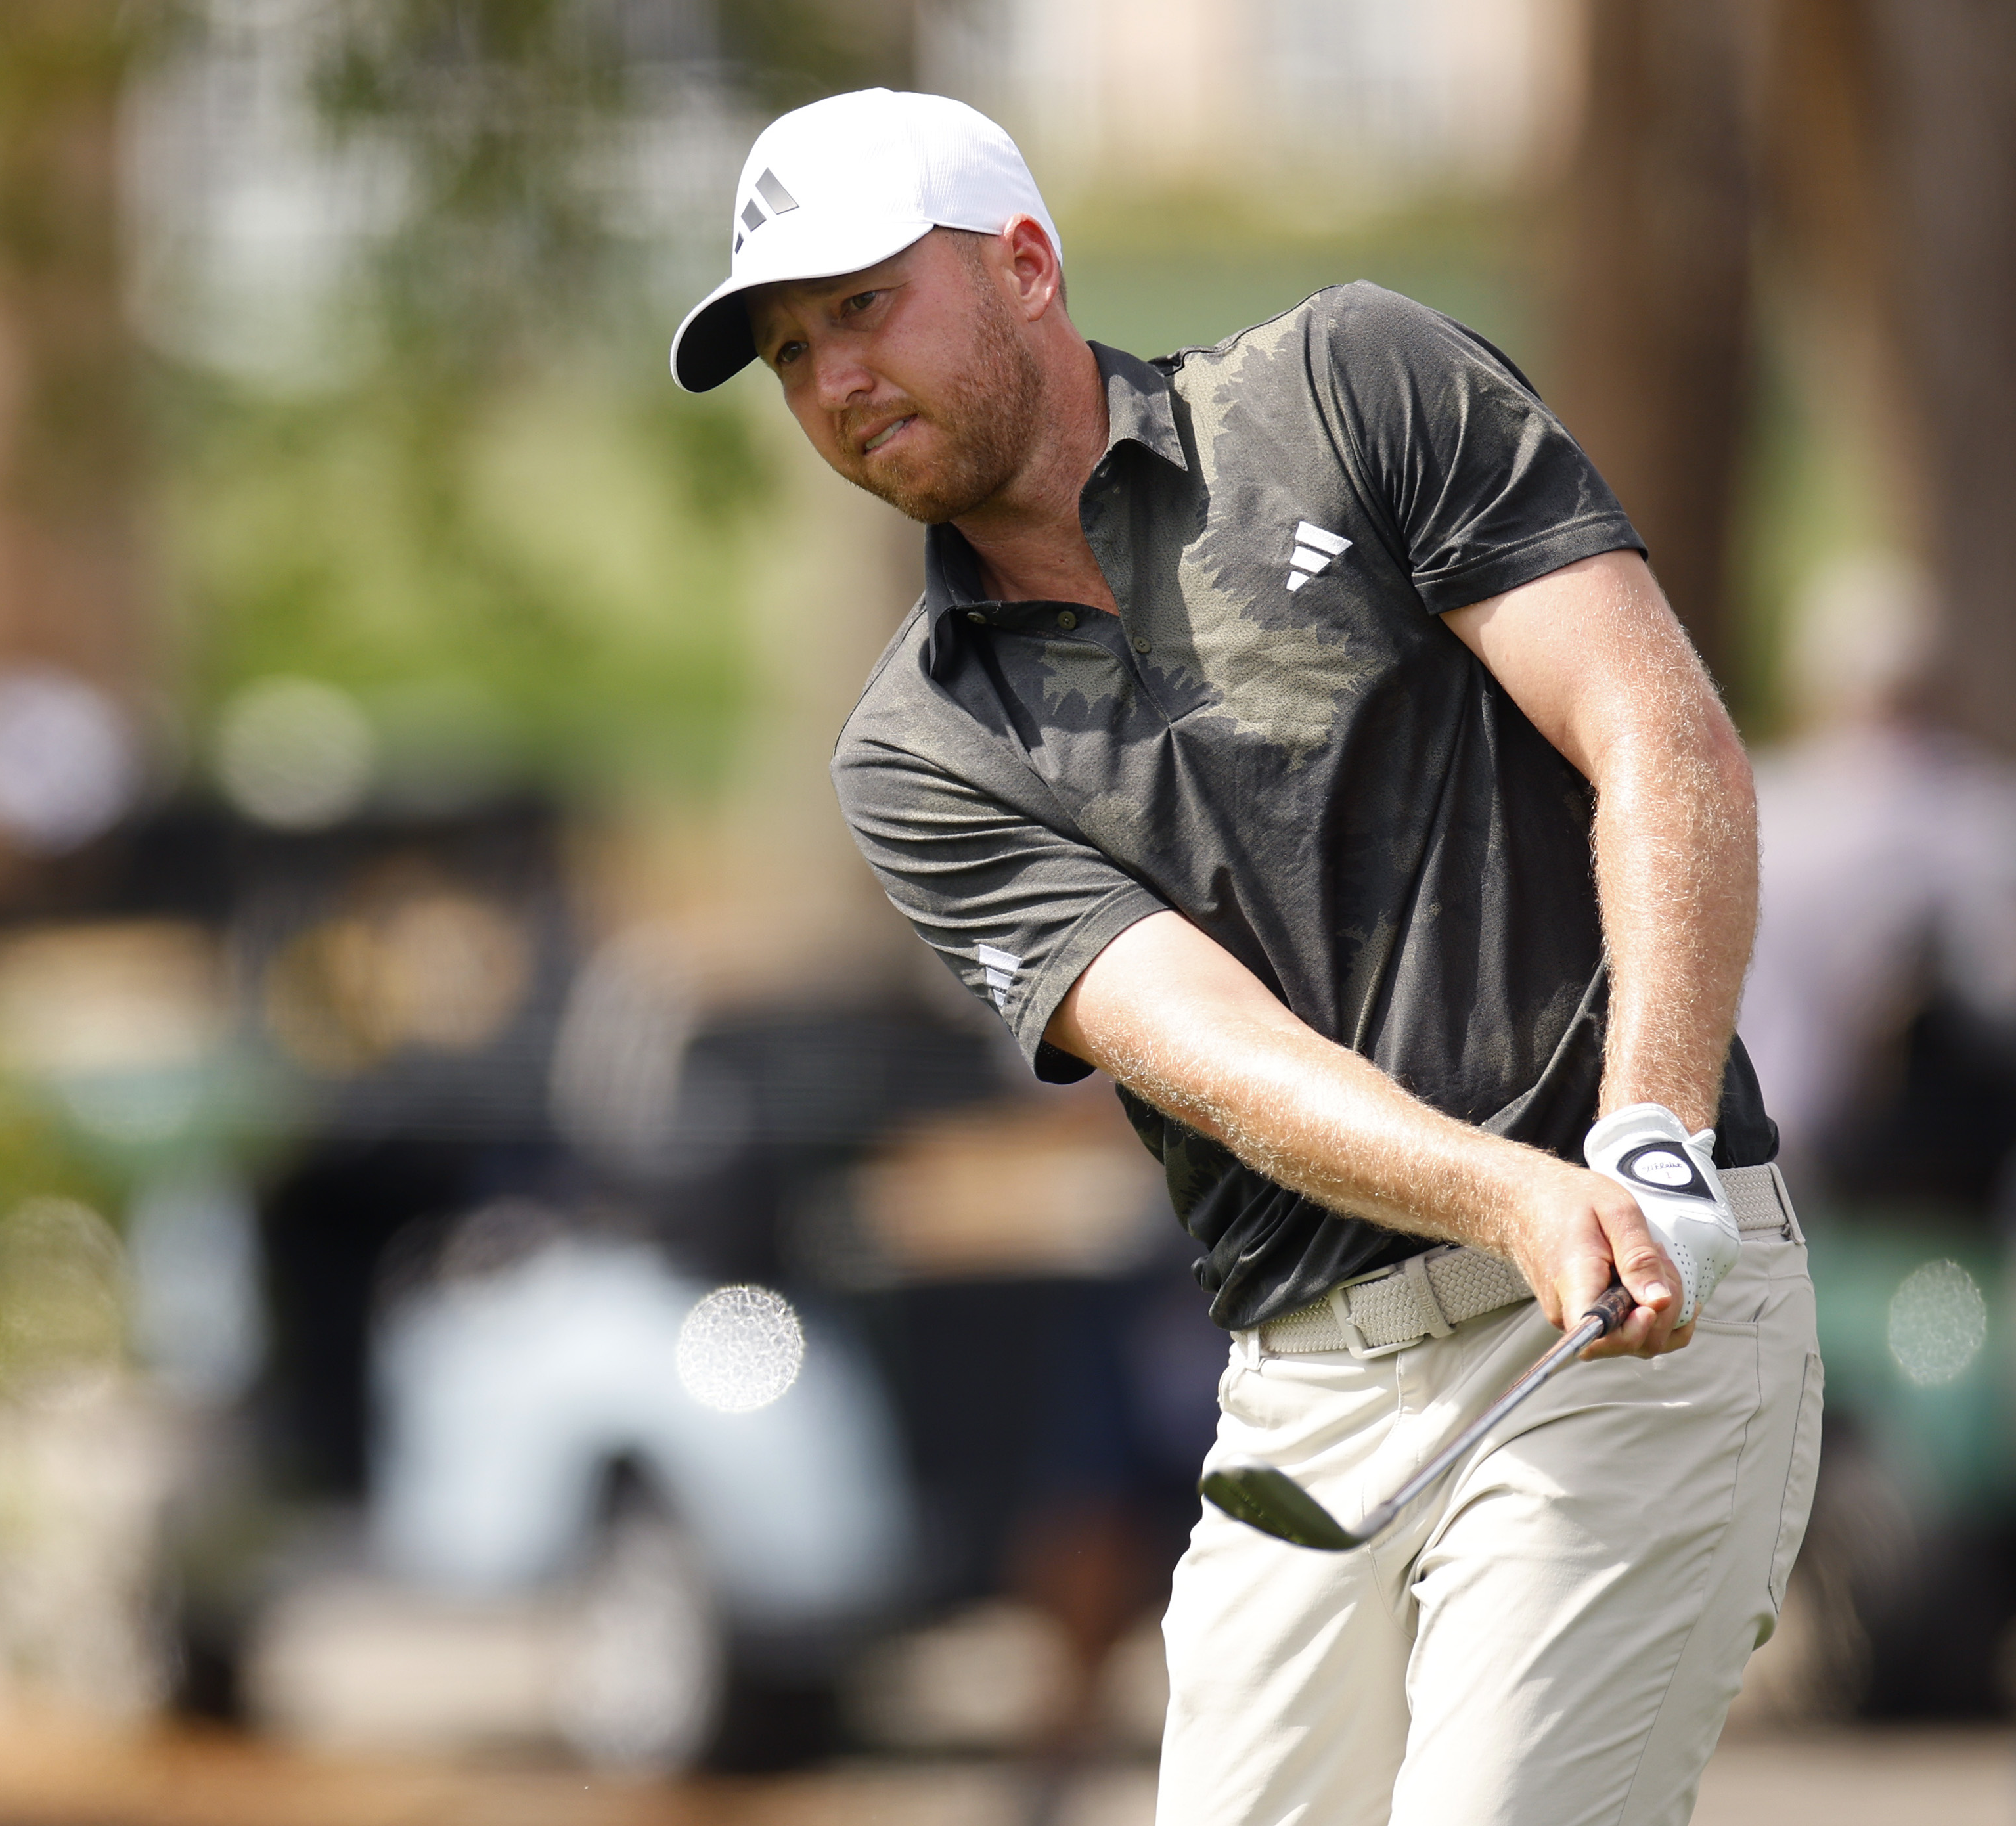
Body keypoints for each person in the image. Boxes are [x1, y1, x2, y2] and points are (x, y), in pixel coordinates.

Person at [667, 89, 1821, 1826]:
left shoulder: (1349, 386)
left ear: (1027, 265)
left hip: (1621, 1330)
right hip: (1305, 1397)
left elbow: (1654, 737)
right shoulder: (917, 749)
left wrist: (1643, 1121)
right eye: (785, 350)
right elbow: (1206, 1044)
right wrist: (1495, 1189)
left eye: (862, 306)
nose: (829, 379)